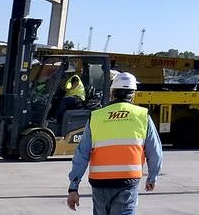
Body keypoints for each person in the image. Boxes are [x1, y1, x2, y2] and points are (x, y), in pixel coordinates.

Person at [67, 71, 162, 215]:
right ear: (133, 94)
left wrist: (73, 187)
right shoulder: (142, 117)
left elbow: (82, 154)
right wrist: (152, 176)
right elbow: (155, 152)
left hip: (100, 183)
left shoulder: (96, 117)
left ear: (112, 93)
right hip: (128, 183)